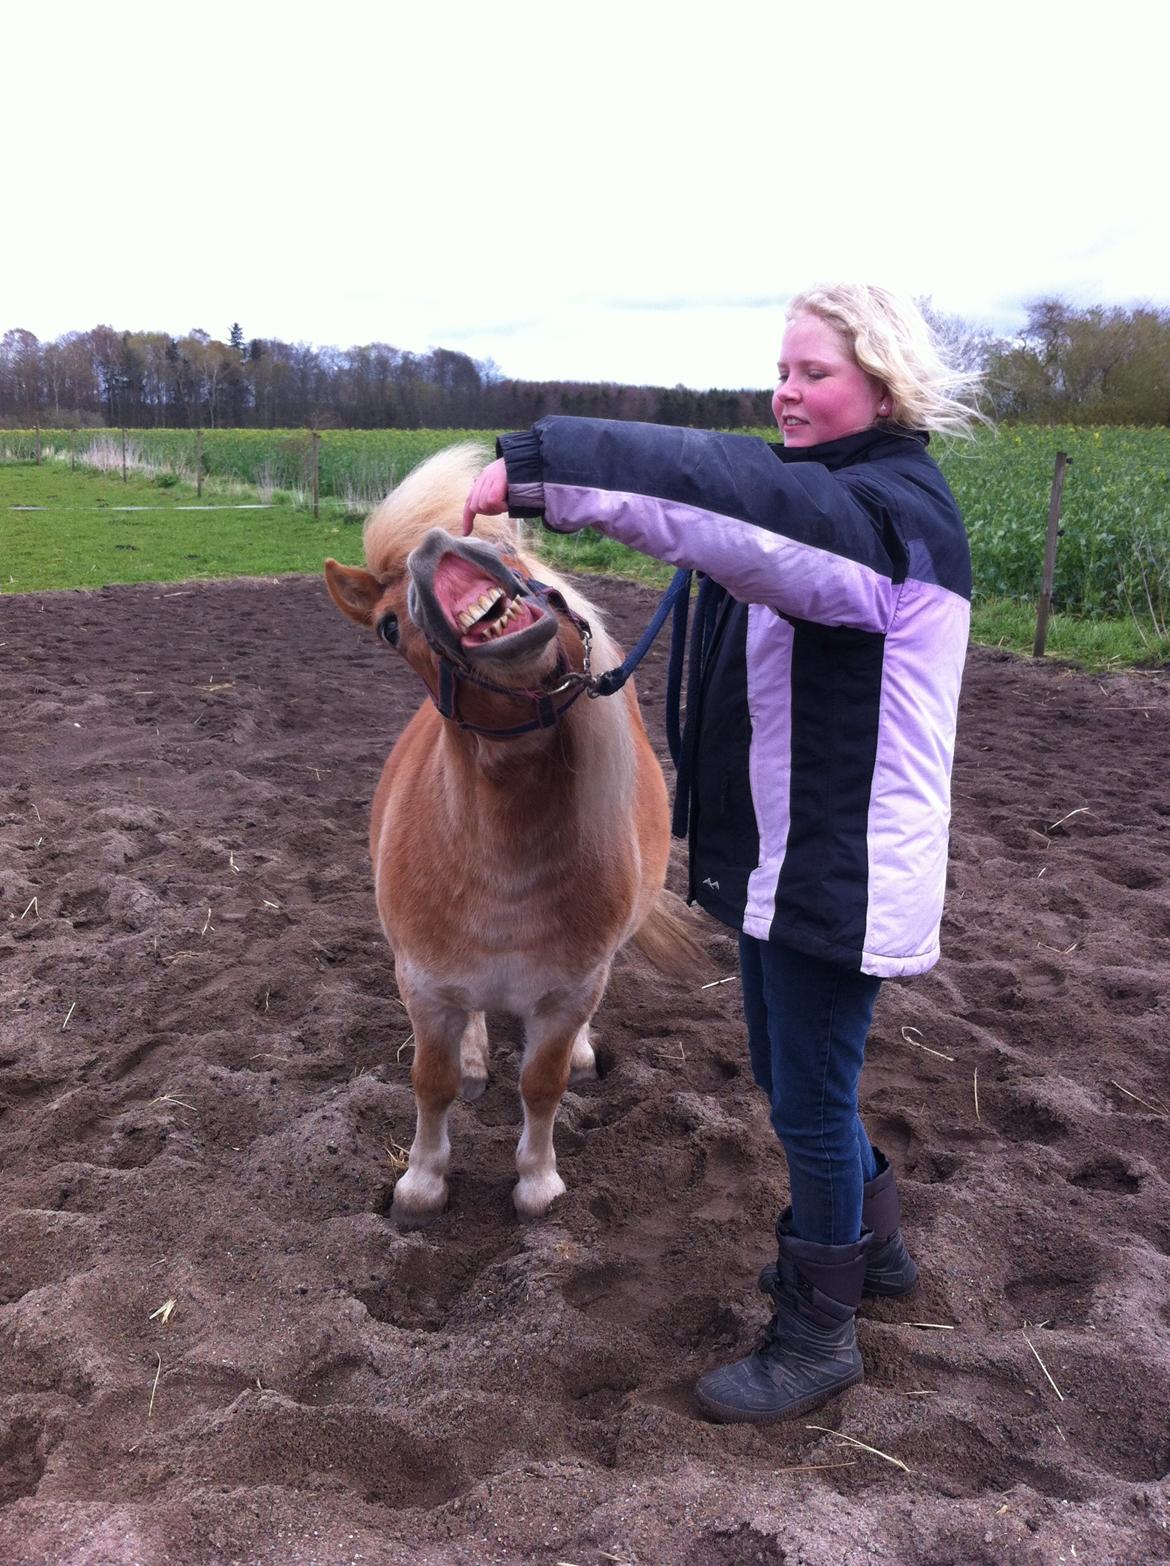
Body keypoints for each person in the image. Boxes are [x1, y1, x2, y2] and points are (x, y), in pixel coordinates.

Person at [463, 284, 983, 1424]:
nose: (787, 392)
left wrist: (545, 467)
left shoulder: (875, 519)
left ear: (881, 388)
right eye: (782, 371)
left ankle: (818, 1336)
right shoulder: (847, 497)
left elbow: (724, 500)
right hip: (793, 857)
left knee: (807, 1100)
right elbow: (747, 510)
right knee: (800, 1079)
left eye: (816, 374)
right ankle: (872, 1253)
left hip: (831, 873)